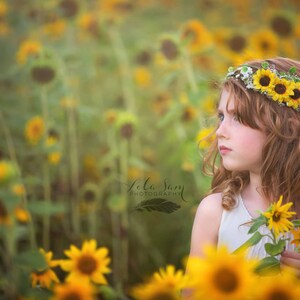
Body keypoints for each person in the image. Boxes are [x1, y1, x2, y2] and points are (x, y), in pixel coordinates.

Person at [188, 57, 300, 275]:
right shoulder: (217, 212)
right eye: (221, 116)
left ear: (286, 127)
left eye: (237, 118)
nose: (220, 131)